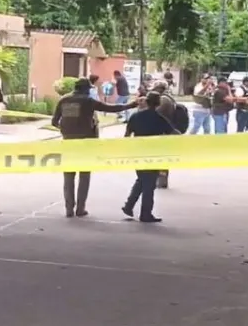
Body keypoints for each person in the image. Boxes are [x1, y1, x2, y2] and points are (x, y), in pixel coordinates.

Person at [51, 78, 133, 217]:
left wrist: (66, 131)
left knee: (68, 176)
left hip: (68, 142)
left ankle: (69, 209)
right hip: (86, 142)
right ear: (86, 89)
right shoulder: (87, 101)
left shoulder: (64, 100)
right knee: (84, 175)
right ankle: (80, 208)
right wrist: (131, 105)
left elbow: (54, 122)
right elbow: (110, 108)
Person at [122, 91, 179, 223]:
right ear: (158, 104)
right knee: (149, 184)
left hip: (138, 153)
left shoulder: (135, 117)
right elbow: (174, 132)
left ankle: (129, 205)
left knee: (142, 179)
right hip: (153, 154)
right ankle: (145, 213)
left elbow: (126, 135)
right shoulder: (160, 119)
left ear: (146, 102)